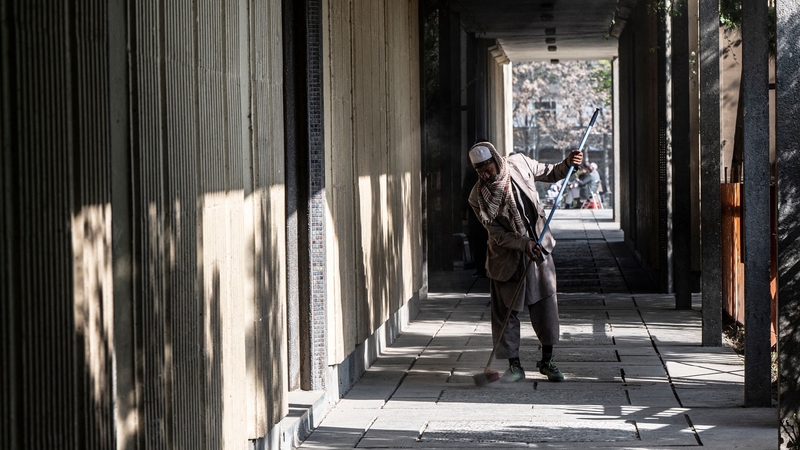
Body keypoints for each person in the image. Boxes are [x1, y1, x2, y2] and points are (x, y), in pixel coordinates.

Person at [467, 140, 583, 382]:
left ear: (496, 161)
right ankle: (515, 366)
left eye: (487, 168)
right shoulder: (477, 197)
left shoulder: (520, 164)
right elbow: (496, 233)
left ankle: (548, 361)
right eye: (479, 171)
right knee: (506, 312)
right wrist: (522, 244)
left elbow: (550, 172)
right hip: (505, 258)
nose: (485, 175)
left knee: (546, 305)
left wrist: (568, 163)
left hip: (539, 248)